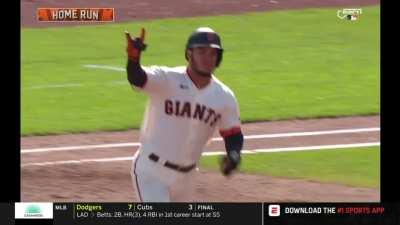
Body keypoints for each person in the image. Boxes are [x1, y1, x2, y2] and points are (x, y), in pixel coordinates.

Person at [125, 27, 244, 202]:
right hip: (152, 170)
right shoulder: (167, 79)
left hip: (187, 178)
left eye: (212, 53)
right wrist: (133, 59)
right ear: (189, 54)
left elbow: (233, 134)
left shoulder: (224, 96)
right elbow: (138, 78)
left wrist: (234, 155)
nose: (207, 58)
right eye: (201, 51)